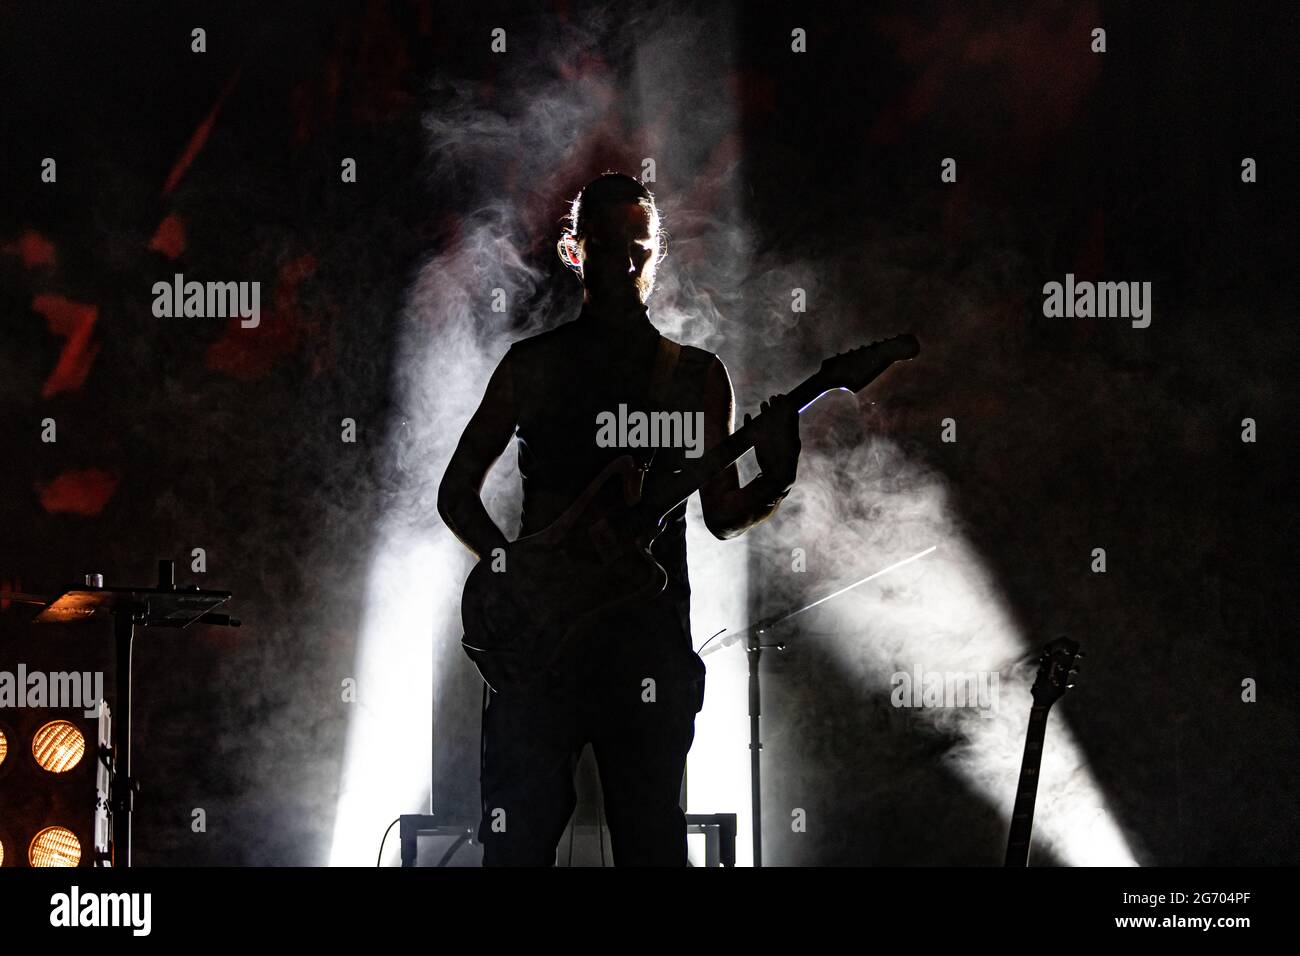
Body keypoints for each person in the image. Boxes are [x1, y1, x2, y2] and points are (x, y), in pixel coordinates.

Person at [438, 172, 801, 865]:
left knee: (654, 847)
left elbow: (722, 516)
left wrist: (776, 477)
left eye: (636, 249)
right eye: (606, 248)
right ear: (576, 252)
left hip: (648, 651)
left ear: (657, 255)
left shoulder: (696, 376)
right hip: (540, 653)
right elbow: (456, 494)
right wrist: (514, 572)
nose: (623, 264)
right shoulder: (533, 366)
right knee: (515, 852)